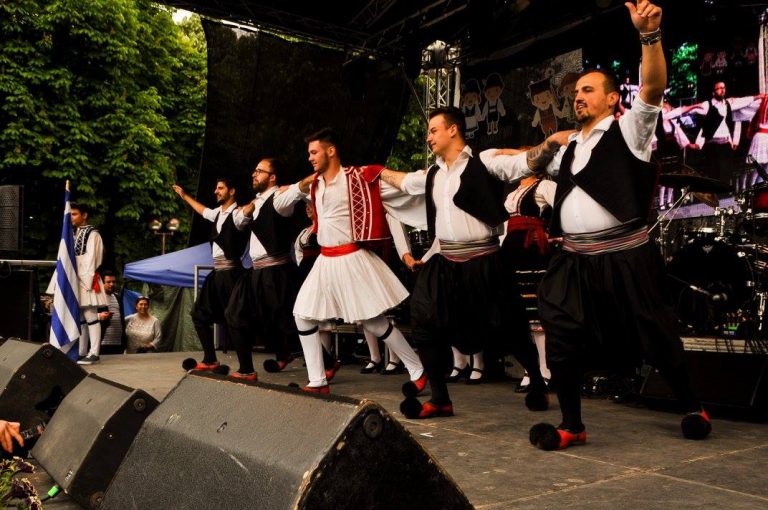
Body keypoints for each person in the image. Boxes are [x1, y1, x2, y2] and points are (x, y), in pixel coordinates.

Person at [480, 0, 712, 450]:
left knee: (656, 336)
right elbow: (507, 163)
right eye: (576, 92)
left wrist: (649, 35)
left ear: (611, 98)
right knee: (561, 333)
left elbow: (654, 86)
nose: (578, 96)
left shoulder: (630, 132)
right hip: (575, 261)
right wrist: (544, 144)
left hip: (626, 256)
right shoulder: (566, 150)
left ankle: (691, 406)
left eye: (588, 90)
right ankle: (572, 424)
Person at [380, 107, 549, 420]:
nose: (428, 137)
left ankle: (537, 380)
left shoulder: (483, 162)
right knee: (424, 321)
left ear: (453, 130)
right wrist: (375, 172)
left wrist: (551, 144)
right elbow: (402, 182)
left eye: (433, 130)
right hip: (446, 262)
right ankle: (440, 399)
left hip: (485, 261)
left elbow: (521, 162)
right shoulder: (432, 174)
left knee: (510, 328)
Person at [273, 128, 425, 394]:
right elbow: (280, 204)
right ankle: (318, 380)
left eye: (314, 152)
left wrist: (431, 176)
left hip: (352, 258)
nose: (310, 157)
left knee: (373, 321)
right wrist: (303, 183)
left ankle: (418, 369)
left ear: (331, 151)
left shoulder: (359, 177)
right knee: (302, 316)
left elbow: (406, 186)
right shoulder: (314, 184)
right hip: (325, 260)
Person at [224, 158, 306, 380]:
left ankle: (325, 362)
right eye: (254, 170)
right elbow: (238, 223)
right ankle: (247, 369)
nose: (254, 174)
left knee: (288, 322)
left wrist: (296, 185)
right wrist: (246, 211)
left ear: (272, 177)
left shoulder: (280, 198)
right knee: (235, 314)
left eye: (259, 171)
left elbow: (301, 188)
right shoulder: (256, 202)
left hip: (277, 271)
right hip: (257, 271)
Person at [173, 179, 249, 371]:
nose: (216, 191)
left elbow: (250, 211)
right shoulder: (217, 214)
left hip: (233, 274)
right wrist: (184, 196)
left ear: (232, 191)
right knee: (198, 314)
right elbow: (202, 210)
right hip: (217, 274)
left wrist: (260, 199)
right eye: (216, 188)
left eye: (220, 188)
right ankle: (210, 359)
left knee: (236, 319)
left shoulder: (238, 213)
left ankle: (246, 368)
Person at [665, 81, 763, 182]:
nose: (722, 90)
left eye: (723, 88)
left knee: (726, 175)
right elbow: (687, 110)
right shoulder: (707, 105)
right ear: (713, 92)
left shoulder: (728, 103)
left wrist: (758, 97)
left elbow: (743, 101)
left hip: (725, 146)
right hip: (712, 147)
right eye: (719, 88)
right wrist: (667, 114)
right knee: (714, 175)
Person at [66, 203, 107, 365]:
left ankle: (94, 352)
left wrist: (85, 279)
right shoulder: (73, 233)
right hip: (78, 278)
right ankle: (82, 351)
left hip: (86, 279)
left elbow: (93, 259)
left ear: (84, 215)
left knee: (91, 316)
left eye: (74, 214)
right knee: (82, 318)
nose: (71, 217)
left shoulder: (92, 233)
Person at [99, 270, 125, 354]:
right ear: (102, 283)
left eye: (113, 282)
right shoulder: (97, 298)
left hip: (118, 342)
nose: (112, 284)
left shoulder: (118, 297)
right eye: (108, 282)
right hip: (102, 342)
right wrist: (99, 316)